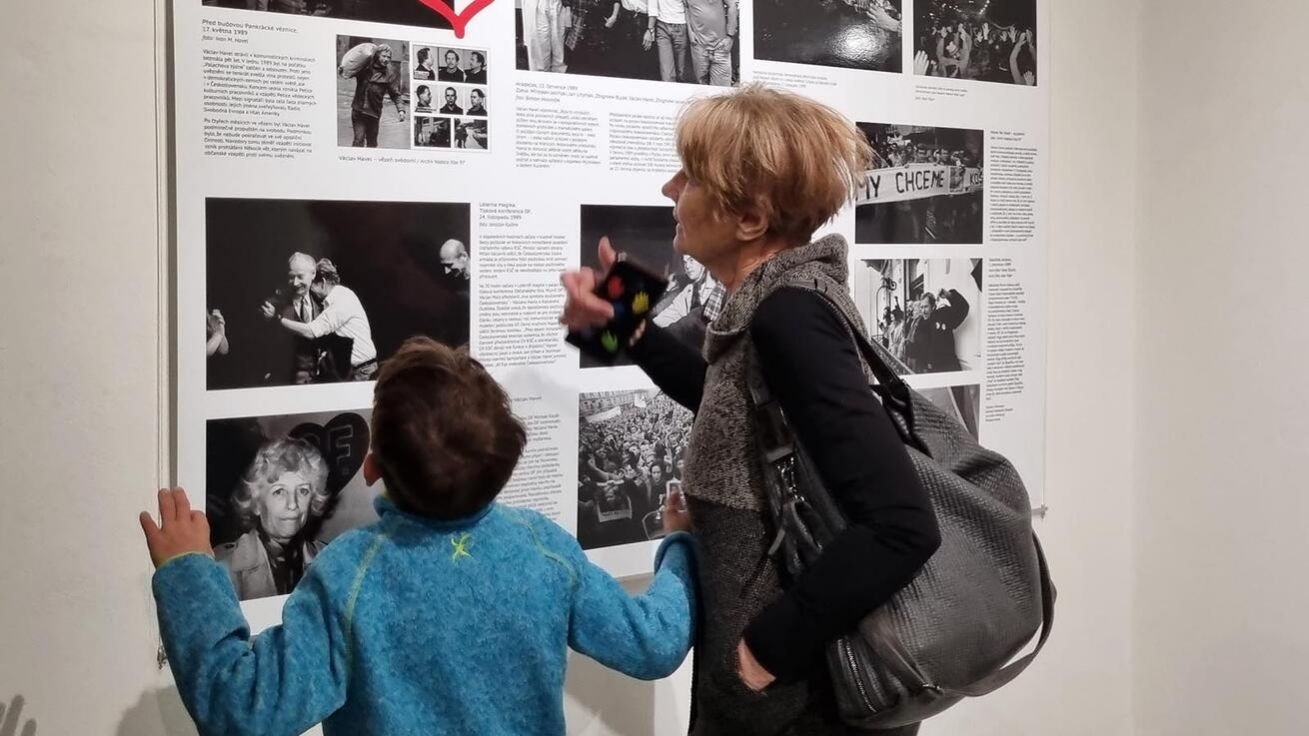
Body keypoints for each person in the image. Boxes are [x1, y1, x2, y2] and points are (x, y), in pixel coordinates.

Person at [560, 84, 938, 735]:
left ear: (749, 219)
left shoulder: (789, 313)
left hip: (792, 709)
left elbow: (903, 526)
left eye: (690, 177)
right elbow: (728, 400)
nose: (668, 189)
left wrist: (762, 654)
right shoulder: (776, 302)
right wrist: (626, 322)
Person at [140, 337, 698, 735]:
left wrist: (189, 570)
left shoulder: (348, 575)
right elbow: (654, 643)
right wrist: (680, 547)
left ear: (372, 464)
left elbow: (240, 706)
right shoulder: (540, 548)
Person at [213, 437, 331, 600]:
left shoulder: (329, 558)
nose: (293, 504)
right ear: (256, 504)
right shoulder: (221, 567)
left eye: (303, 491)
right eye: (279, 491)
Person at [263, 258, 378, 381]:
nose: (310, 291)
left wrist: (279, 319)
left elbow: (311, 331)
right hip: (356, 370)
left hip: (362, 372)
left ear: (322, 282)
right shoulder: (337, 298)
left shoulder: (341, 301)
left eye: (312, 286)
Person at [267, 252, 324, 385]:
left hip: (319, 381)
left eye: (300, 276)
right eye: (291, 277)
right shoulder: (275, 306)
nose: (295, 283)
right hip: (287, 381)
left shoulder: (324, 303)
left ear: (313, 274)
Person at [346, 44, 406, 148]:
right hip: (359, 110)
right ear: (377, 55)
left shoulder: (390, 73)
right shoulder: (365, 67)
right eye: (384, 56)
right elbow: (351, 70)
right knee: (358, 140)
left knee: (372, 143)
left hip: (374, 114)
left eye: (389, 57)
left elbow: (395, 94)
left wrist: (401, 110)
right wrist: (344, 69)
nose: (386, 59)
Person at [685, 0, 737, 86]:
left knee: (721, 92)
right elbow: (686, 7)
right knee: (701, 89)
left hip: (720, 46)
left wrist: (730, 37)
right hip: (698, 45)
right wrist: (690, 31)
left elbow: (732, 5)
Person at [647, 0, 690, 83]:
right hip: (662, 26)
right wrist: (650, 29)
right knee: (667, 73)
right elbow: (653, 8)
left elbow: (689, 5)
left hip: (681, 25)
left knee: (682, 71)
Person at [523, 0, 567, 73]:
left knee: (558, 44)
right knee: (539, 47)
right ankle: (541, 78)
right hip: (537, 4)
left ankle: (558, 78)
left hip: (557, 3)